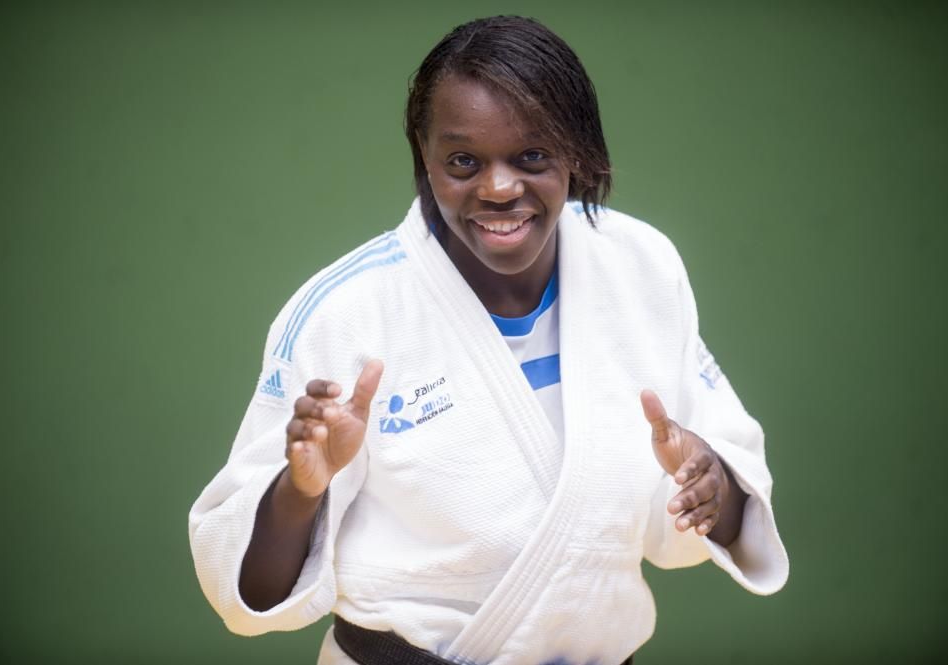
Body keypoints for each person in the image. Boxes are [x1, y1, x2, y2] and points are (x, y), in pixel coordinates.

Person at [189, 15, 788, 665]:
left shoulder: (641, 266)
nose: (500, 188)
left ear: (576, 149)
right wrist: (302, 488)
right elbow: (243, 594)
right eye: (464, 161)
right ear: (424, 154)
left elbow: (712, 512)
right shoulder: (345, 312)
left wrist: (711, 484)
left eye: (532, 155)